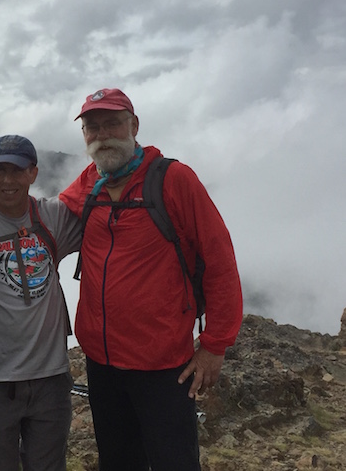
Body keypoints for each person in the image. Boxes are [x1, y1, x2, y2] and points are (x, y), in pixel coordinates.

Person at [59, 88, 243, 471]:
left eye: (112, 123)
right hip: (101, 363)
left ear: (134, 125)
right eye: (92, 127)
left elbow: (220, 260)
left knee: (172, 462)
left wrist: (214, 345)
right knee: (118, 461)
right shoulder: (89, 183)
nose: (102, 134)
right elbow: (42, 219)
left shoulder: (173, 180)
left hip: (162, 365)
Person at [0, 135, 81, 471]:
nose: (8, 180)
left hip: (51, 378)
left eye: (17, 170)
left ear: (33, 173)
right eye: (0, 170)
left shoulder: (52, 217)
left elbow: (101, 206)